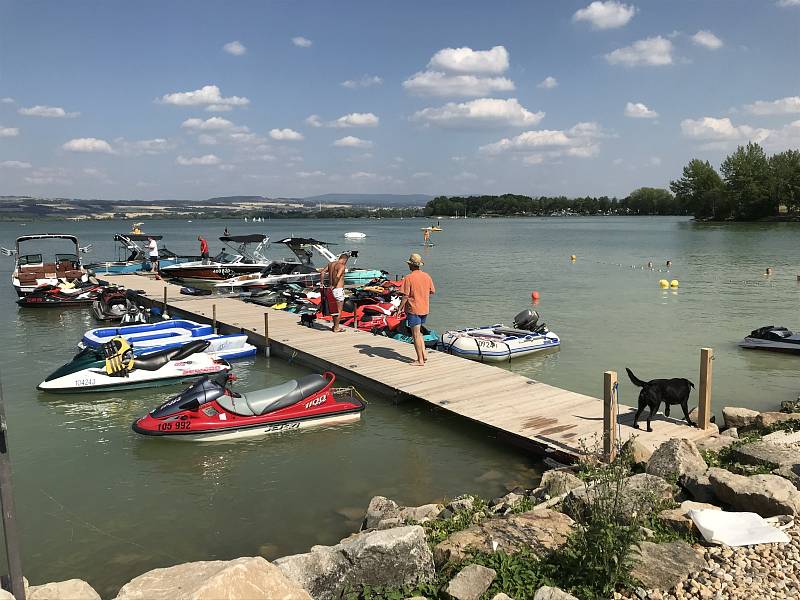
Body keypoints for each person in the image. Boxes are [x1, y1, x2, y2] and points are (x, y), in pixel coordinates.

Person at [396, 253, 435, 366]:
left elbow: (405, 296)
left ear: (411, 265)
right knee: (419, 332)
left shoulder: (408, 278)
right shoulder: (427, 276)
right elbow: (432, 291)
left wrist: (399, 309)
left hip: (414, 309)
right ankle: (424, 354)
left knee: (416, 335)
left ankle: (420, 360)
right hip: (424, 308)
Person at [319, 253, 349, 332]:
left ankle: (334, 326)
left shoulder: (330, 264)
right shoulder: (342, 266)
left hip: (330, 289)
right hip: (338, 289)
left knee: (333, 309)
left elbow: (322, 272)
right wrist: (334, 285)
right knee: (339, 310)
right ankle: (336, 328)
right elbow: (338, 276)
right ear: (345, 259)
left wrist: (322, 283)